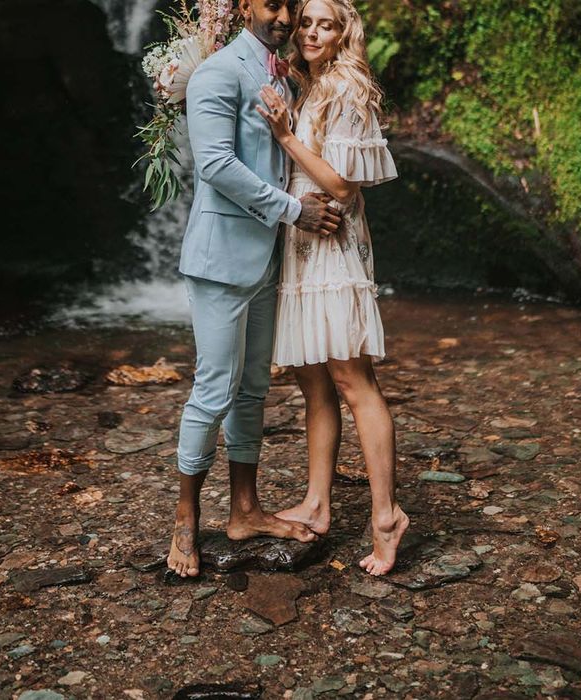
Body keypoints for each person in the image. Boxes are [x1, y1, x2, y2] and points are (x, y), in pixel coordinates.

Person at [168, 0, 344, 578]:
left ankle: (244, 509)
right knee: (213, 388)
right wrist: (295, 209)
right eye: (273, 4)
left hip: (268, 257)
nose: (286, 15)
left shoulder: (280, 71)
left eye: (292, 5)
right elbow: (215, 164)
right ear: (243, 6)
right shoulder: (218, 72)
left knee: (251, 390)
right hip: (220, 257)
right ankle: (185, 521)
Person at [257, 0, 410, 575]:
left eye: (326, 23)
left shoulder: (346, 85)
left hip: (332, 246)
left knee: (352, 380)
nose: (313, 32)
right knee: (314, 383)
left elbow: (342, 185)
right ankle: (318, 503)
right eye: (306, 23)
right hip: (302, 243)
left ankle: (387, 514)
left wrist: (285, 137)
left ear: (344, 32)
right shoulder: (308, 82)